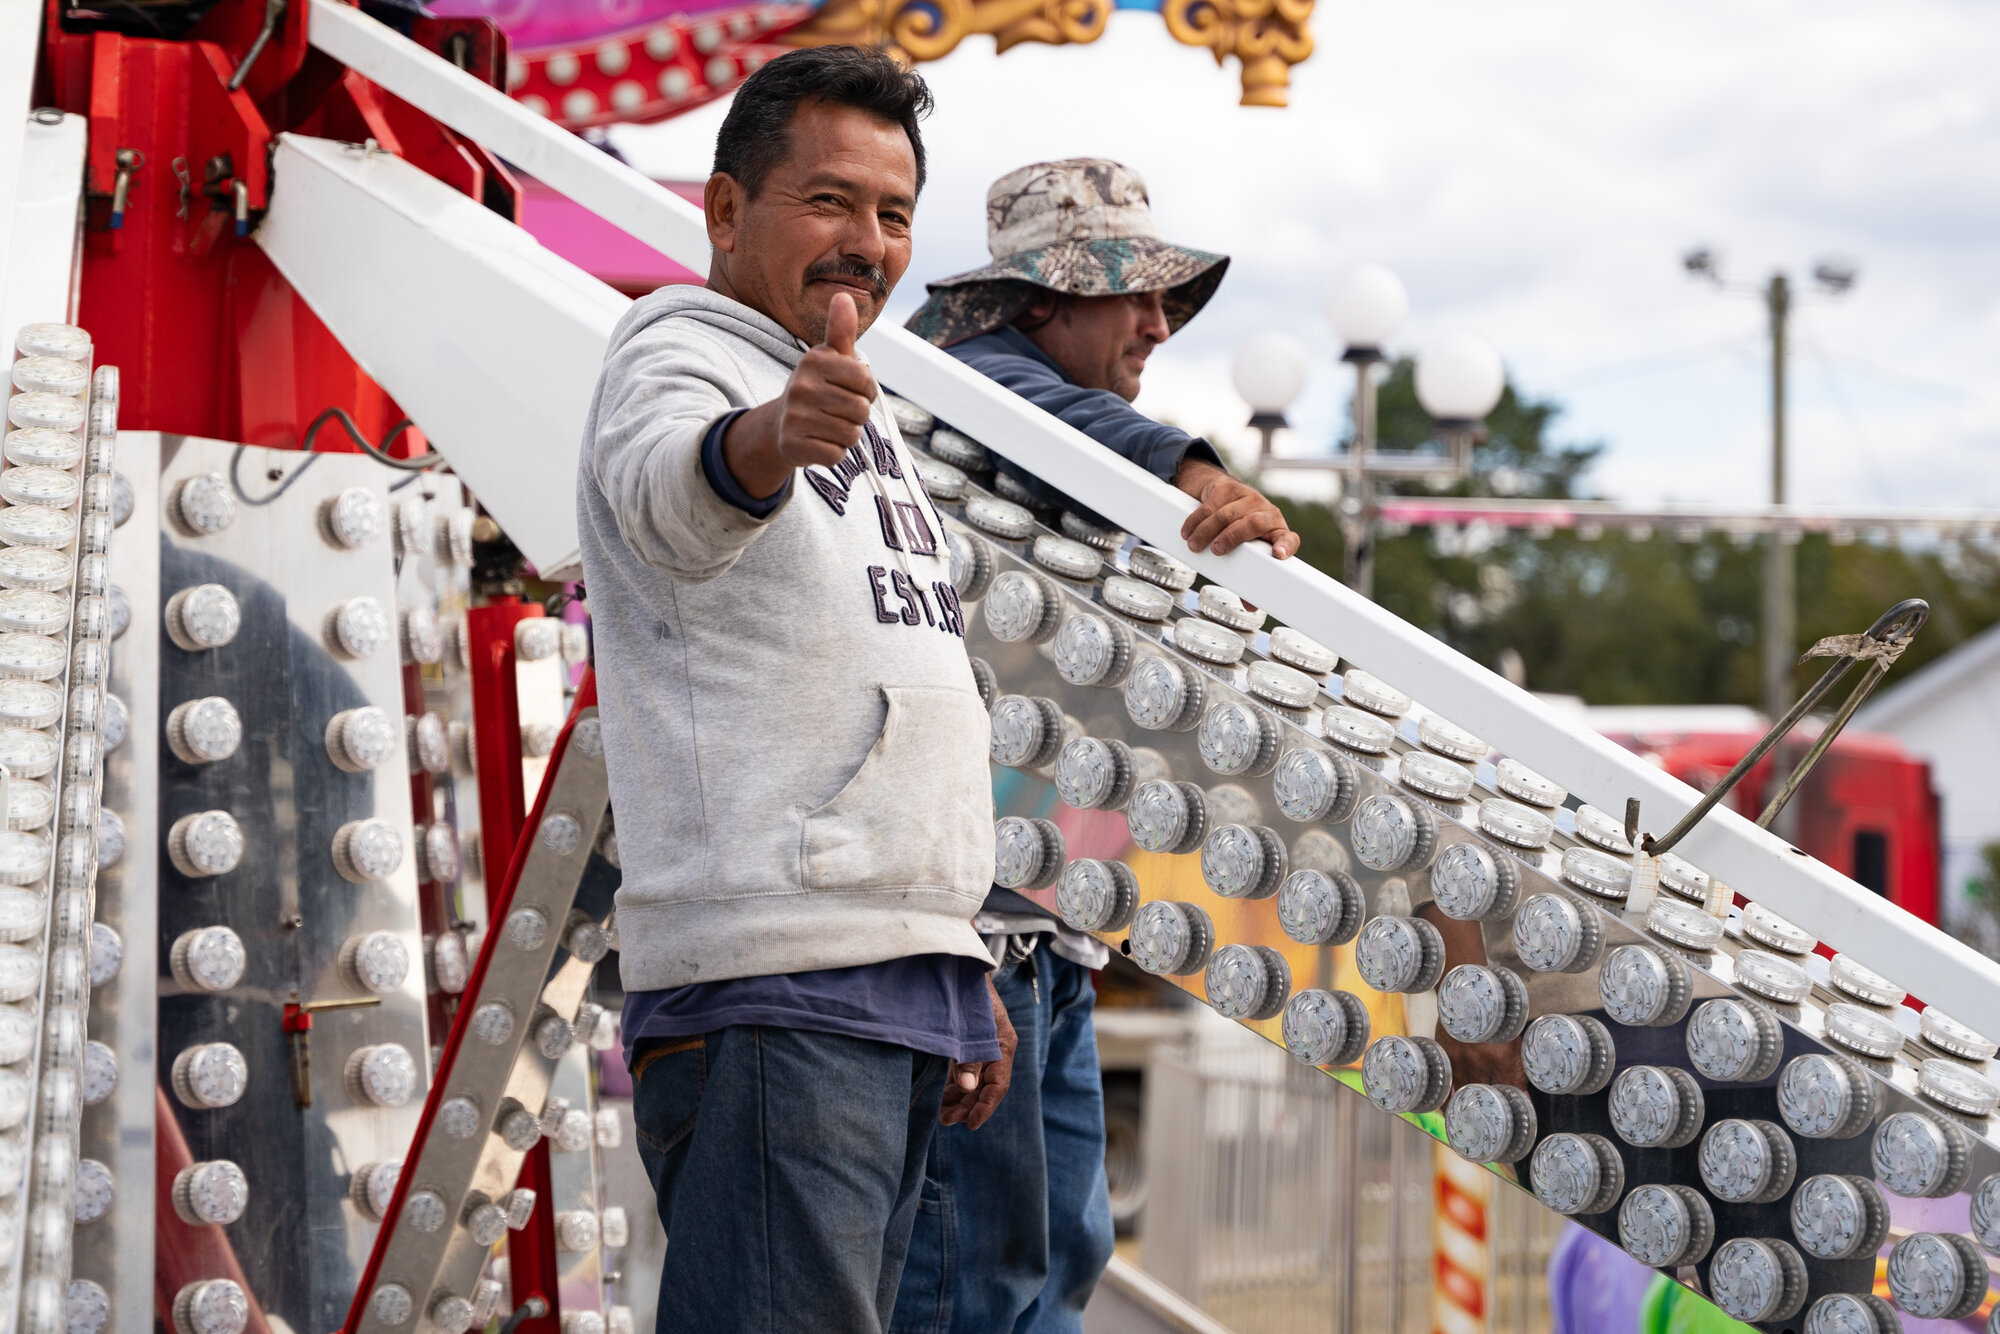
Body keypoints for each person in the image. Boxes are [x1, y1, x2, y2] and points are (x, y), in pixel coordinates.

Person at [575, 47, 1016, 1334]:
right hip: (773, 990)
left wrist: (950, 946)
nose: (864, 243)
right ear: (723, 211)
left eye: (890, 214)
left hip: (878, 979)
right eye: (828, 201)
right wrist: (766, 437)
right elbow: (672, 492)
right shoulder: (680, 350)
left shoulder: (855, 403)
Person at [890, 160, 1298, 1334]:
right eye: (1131, 296)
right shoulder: (974, 394)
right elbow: (1057, 420)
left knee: (1045, 1259)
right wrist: (1194, 469)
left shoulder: (1003, 420)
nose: (1157, 324)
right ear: (1040, 305)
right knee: (980, 1275)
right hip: (981, 939)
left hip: (1036, 934)